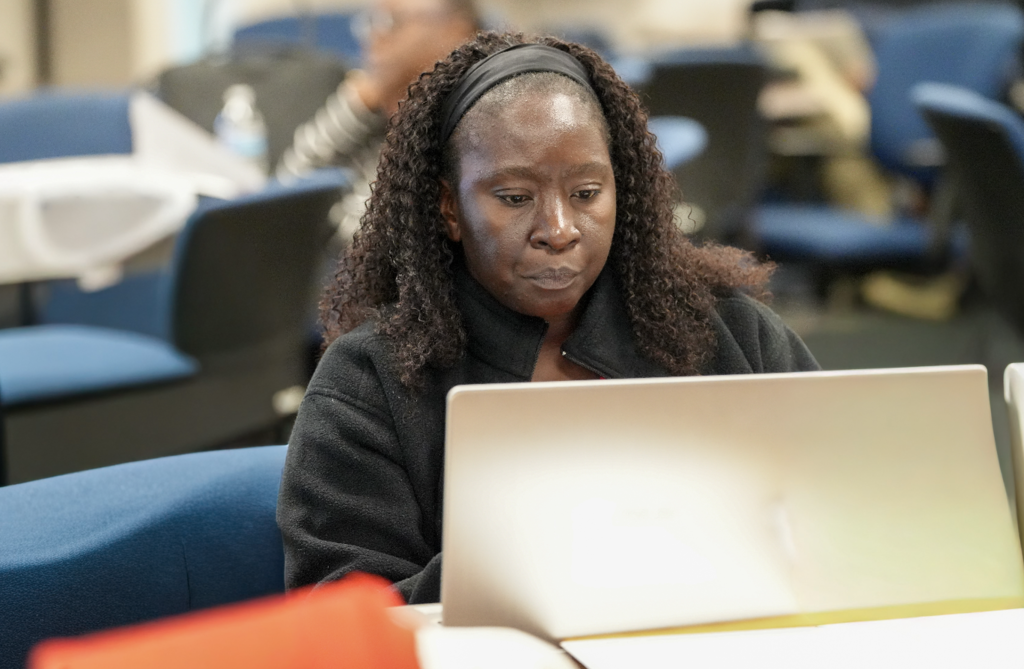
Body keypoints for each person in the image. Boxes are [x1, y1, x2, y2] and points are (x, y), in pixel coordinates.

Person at [277, 31, 820, 605]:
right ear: (449, 208)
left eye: (587, 193)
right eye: (513, 198)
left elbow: (845, 506)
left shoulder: (731, 334)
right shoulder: (371, 381)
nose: (558, 230)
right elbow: (341, 614)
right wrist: (550, 548)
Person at [275, 0, 481, 242]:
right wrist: (359, 105)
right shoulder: (379, 114)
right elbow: (286, 198)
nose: (373, 36)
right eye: (370, 22)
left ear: (455, 31)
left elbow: (373, 244)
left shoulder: (470, 130)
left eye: (391, 22)